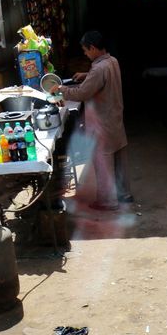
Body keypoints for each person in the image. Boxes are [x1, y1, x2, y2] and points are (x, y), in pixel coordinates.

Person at [54, 31, 131, 211]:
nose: (85, 54)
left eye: (86, 51)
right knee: (119, 157)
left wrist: (61, 89)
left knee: (103, 161)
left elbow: (81, 94)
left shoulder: (98, 69)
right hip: (115, 118)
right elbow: (99, 79)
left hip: (102, 123)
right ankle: (124, 194)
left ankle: (107, 200)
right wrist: (86, 75)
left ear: (94, 48)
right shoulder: (112, 61)